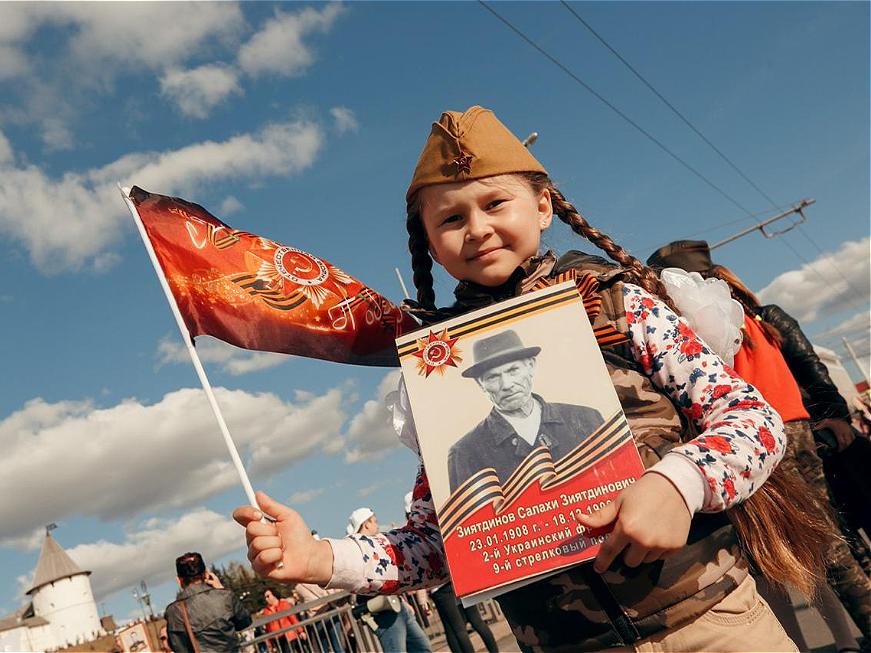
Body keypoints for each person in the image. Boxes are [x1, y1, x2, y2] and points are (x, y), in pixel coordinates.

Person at [235, 105, 823, 652]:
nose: (479, 228)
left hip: (713, 623)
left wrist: (679, 483)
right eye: (452, 218)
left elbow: (752, 420)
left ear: (543, 206)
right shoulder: (441, 367)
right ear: (430, 244)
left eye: (496, 203)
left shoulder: (616, 304)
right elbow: (438, 543)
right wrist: (321, 559)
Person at [648, 239, 871, 652]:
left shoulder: (704, 317)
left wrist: (835, 412)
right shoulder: (749, 315)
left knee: (819, 549)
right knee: (830, 541)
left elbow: (796, 372)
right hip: (791, 431)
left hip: (760, 440)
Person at [447, 329, 604, 492]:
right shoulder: (465, 452)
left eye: (513, 370)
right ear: (481, 385)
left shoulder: (587, 419)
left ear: (530, 366)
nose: (506, 384)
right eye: (493, 377)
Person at [346, 508, 432, 653]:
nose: (377, 525)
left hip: (396, 606)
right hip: (384, 612)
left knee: (422, 647)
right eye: (374, 521)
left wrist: (402, 602)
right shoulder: (358, 550)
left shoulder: (374, 545)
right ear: (366, 524)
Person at [165, 552, 252, 653]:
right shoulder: (225, 597)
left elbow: (176, 646)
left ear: (179, 580)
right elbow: (245, 622)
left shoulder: (173, 611)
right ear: (206, 574)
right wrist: (221, 589)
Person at [262, 589, 307, 653]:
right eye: (265, 597)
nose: (266, 599)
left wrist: (300, 631)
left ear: (274, 595)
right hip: (278, 639)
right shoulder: (266, 611)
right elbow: (268, 628)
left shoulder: (284, 604)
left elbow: (293, 618)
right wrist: (270, 644)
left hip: (290, 635)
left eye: (268, 596)